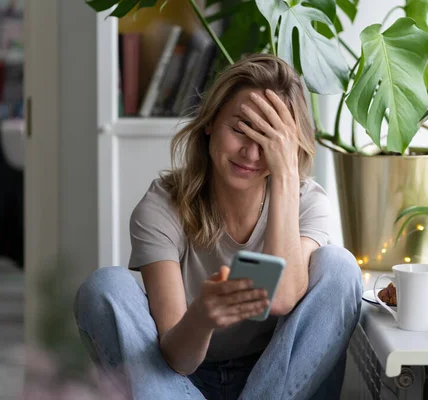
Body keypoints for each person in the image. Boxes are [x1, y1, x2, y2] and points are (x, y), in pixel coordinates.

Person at [74, 53, 363, 400]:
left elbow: (282, 299)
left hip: (277, 379)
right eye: (240, 128)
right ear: (210, 121)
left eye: (269, 140)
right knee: (104, 286)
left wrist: (285, 173)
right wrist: (202, 318)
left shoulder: (307, 202)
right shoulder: (162, 206)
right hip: (181, 383)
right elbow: (179, 361)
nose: (251, 153)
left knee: (340, 267)